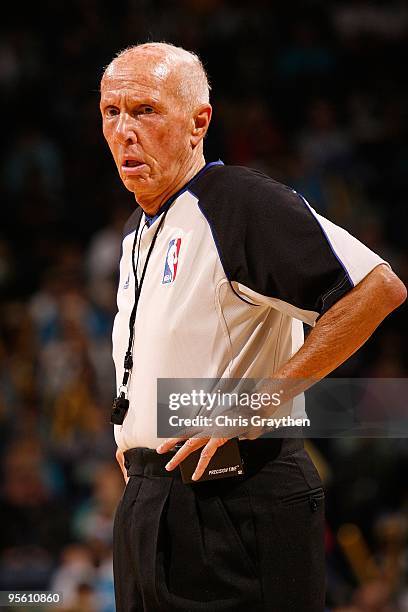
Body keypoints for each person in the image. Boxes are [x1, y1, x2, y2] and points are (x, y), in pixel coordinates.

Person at [99, 42, 406, 612]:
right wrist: (136, 440)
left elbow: (377, 290)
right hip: (152, 503)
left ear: (199, 123)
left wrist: (260, 400)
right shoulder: (138, 229)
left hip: (235, 504)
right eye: (111, 113)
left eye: (145, 110)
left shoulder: (235, 202)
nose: (124, 130)